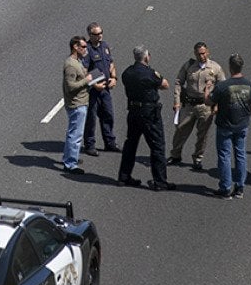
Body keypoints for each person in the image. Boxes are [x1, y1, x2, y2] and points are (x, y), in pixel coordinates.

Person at [117, 46, 175, 191]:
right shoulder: (149, 73)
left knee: (130, 144)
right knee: (157, 146)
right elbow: (165, 85)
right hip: (149, 113)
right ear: (146, 57)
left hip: (133, 112)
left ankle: (124, 176)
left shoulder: (127, 72)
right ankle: (160, 181)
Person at [168, 42, 225, 171]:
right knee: (180, 129)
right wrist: (177, 101)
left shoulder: (215, 68)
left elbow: (223, 88)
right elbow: (178, 82)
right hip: (189, 105)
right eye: (199, 54)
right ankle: (175, 155)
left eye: (204, 53)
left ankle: (198, 158)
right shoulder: (189, 66)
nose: (202, 56)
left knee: (202, 134)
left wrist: (217, 105)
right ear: (195, 54)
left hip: (206, 106)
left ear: (208, 52)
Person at [207, 54, 251, 199]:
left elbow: (209, 102)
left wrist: (207, 90)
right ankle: (240, 187)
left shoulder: (223, 86)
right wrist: (247, 114)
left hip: (225, 125)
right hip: (242, 124)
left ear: (230, 67)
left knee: (224, 156)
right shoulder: (250, 85)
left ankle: (225, 187)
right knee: (240, 155)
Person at [81, 22, 118, 156]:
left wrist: (114, 77)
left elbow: (111, 63)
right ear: (90, 35)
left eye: (101, 33)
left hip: (105, 88)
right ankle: (89, 144)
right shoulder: (87, 49)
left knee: (108, 115)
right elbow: (83, 71)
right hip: (93, 91)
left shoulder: (105, 46)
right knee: (91, 118)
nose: (100, 36)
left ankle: (110, 142)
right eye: (96, 34)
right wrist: (93, 84)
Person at [62, 36, 93, 175]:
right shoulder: (71, 65)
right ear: (75, 46)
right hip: (77, 104)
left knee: (74, 132)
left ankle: (70, 157)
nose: (86, 49)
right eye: (84, 46)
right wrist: (86, 80)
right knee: (75, 134)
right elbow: (70, 86)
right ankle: (70, 164)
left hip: (81, 102)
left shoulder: (77, 62)